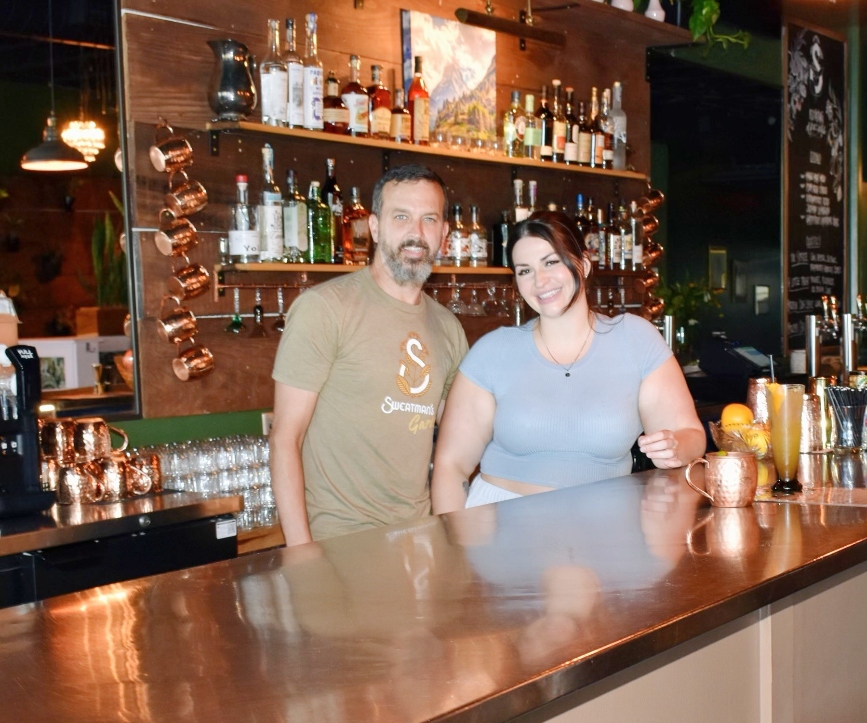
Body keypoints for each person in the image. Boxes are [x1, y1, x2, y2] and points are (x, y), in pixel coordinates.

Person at [431, 210, 704, 513]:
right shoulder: (494, 351)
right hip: (501, 524)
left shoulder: (635, 339)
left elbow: (691, 434)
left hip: (602, 524)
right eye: (525, 271)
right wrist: (452, 548)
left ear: (583, 264)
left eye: (551, 262)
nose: (540, 281)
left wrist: (675, 447)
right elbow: (451, 465)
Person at [271, 164, 468, 544]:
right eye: (401, 217)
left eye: (429, 219)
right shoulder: (325, 309)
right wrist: (301, 552)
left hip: (418, 540)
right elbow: (285, 439)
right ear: (375, 228)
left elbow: (460, 439)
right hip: (340, 543)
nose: (417, 232)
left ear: (444, 233)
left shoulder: (448, 329)